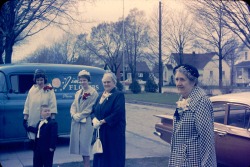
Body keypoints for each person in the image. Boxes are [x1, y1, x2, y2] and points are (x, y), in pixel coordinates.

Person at [168, 64, 217, 167]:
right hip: (180, 161)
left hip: (193, 162)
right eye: (176, 79)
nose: (178, 83)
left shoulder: (201, 101)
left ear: (193, 81)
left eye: (182, 79)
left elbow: (207, 140)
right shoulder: (183, 98)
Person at [91, 72, 126, 167]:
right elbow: (93, 109)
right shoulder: (100, 96)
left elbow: (118, 112)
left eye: (108, 82)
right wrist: (93, 119)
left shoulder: (119, 95)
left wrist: (104, 121)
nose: (106, 84)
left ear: (114, 82)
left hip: (113, 134)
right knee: (101, 158)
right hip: (101, 133)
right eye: (104, 82)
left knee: (112, 158)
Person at [69, 70, 99, 167]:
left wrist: (79, 116)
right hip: (77, 122)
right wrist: (73, 115)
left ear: (88, 80)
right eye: (81, 80)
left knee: (85, 147)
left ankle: (87, 165)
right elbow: (73, 105)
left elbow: (90, 108)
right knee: (80, 147)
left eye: (84, 80)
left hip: (86, 123)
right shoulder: (78, 92)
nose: (82, 82)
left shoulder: (93, 93)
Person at [23, 69, 57, 140]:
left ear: (44, 80)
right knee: (34, 141)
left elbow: (53, 105)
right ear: (35, 80)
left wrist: (52, 119)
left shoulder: (49, 90)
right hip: (33, 119)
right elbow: (27, 104)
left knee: (44, 140)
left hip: (45, 120)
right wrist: (25, 119)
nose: (39, 82)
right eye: (37, 80)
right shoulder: (32, 90)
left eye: (41, 80)